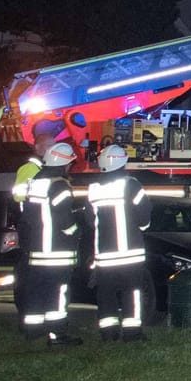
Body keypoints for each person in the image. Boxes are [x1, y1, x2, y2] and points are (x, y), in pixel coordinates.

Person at [19, 142, 84, 346]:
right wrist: (76, 232)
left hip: (37, 251)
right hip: (57, 252)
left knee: (36, 290)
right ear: (64, 163)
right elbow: (64, 218)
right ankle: (57, 335)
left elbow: (27, 214)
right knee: (58, 292)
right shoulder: (60, 185)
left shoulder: (36, 182)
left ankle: (33, 330)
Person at [87, 145, 152, 342]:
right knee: (132, 293)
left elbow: (89, 220)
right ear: (123, 162)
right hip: (130, 254)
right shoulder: (131, 185)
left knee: (105, 294)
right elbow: (144, 217)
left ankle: (109, 333)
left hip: (104, 256)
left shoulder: (94, 188)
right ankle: (132, 333)